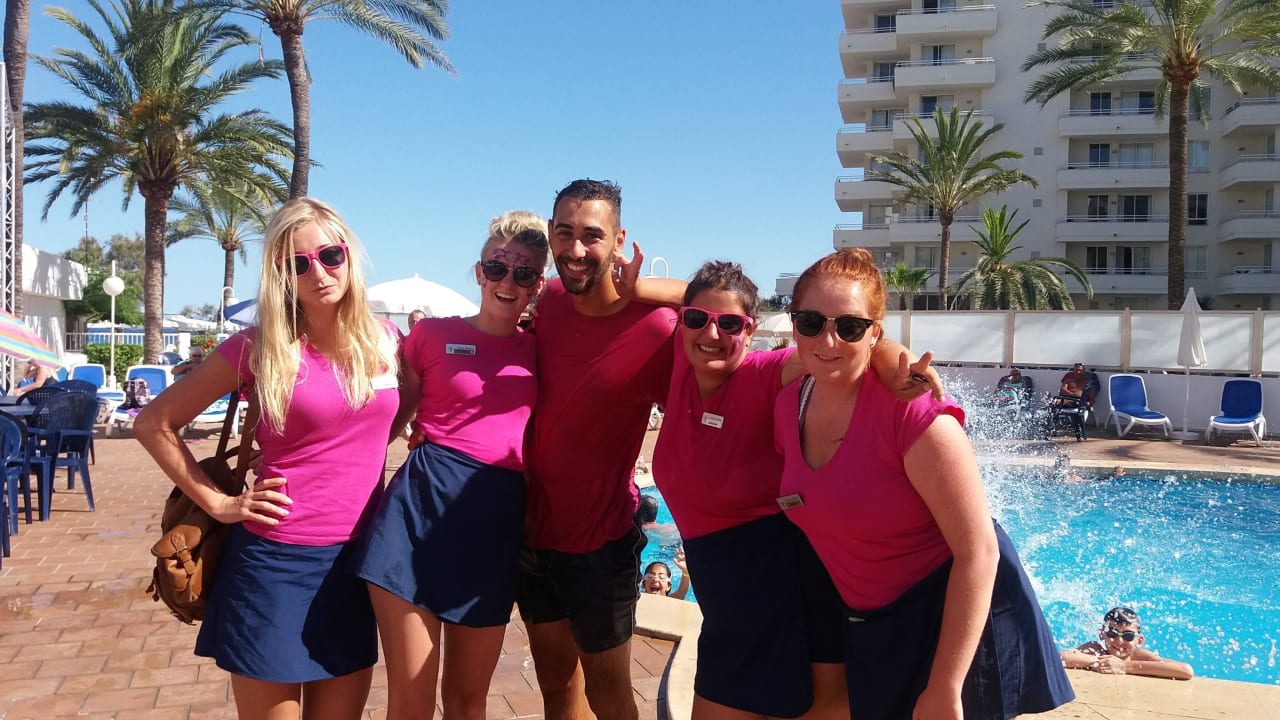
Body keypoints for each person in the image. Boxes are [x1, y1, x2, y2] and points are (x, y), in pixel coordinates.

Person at [773, 248, 1074, 720]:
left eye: (849, 326)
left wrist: (946, 686)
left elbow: (979, 552)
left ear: (875, 333)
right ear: (794, 326)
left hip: (952, 615)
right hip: (875, 618)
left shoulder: (913, 414)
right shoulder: (788, 405)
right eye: (811, 322)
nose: (828, 339)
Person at [636, 259, 942, 720]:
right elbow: (681, 293)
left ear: (751, 329)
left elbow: (842, 343)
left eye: (730, 324)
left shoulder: (765, 372)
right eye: (697, 318)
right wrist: (631, 285)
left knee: (817, 706)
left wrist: (892, 357)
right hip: (723, 588)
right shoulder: (685, 359)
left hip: (776, 576)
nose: (712, 333)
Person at [135, 198, 404, 720]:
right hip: (275, 563)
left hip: (355, 566)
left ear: (349, 254)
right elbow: (153, 423)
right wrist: (218, 503)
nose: (318, 273)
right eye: (297, 264)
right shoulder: (257, 347)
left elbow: (402, 410)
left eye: (329, 255)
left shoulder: (387, 341)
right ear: (281, 275)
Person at [354, 211, 548, 720]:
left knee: (467, 701)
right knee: (412, 702)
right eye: (497, 268)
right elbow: (390, 419)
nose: (508, 281)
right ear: (480, 272)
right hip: (417, 514)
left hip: (493, 523)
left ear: (538, 284)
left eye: (524, 272)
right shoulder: (430, 336)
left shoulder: (543, 350)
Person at [516, 179, 678, 720]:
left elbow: (723, 303)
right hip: (533, 534)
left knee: (609, 697)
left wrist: (649, 289)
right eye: (564, 233)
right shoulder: (548, 301)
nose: (576, 249)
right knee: (556, 688)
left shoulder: (656, 327)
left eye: (592, 235)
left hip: (600, 542)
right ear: (550, 233)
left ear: (619, 240)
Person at [1061, 607, 1194, 680]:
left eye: (1128, 636)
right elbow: (1062, 657)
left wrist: (1124, 666)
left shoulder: (1140, 656)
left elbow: (1185, 671)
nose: (1119, 641)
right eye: (1112, 633)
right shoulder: (1096, 650)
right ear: (1102, 633)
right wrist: (1102, 661)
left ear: (1139, 641)